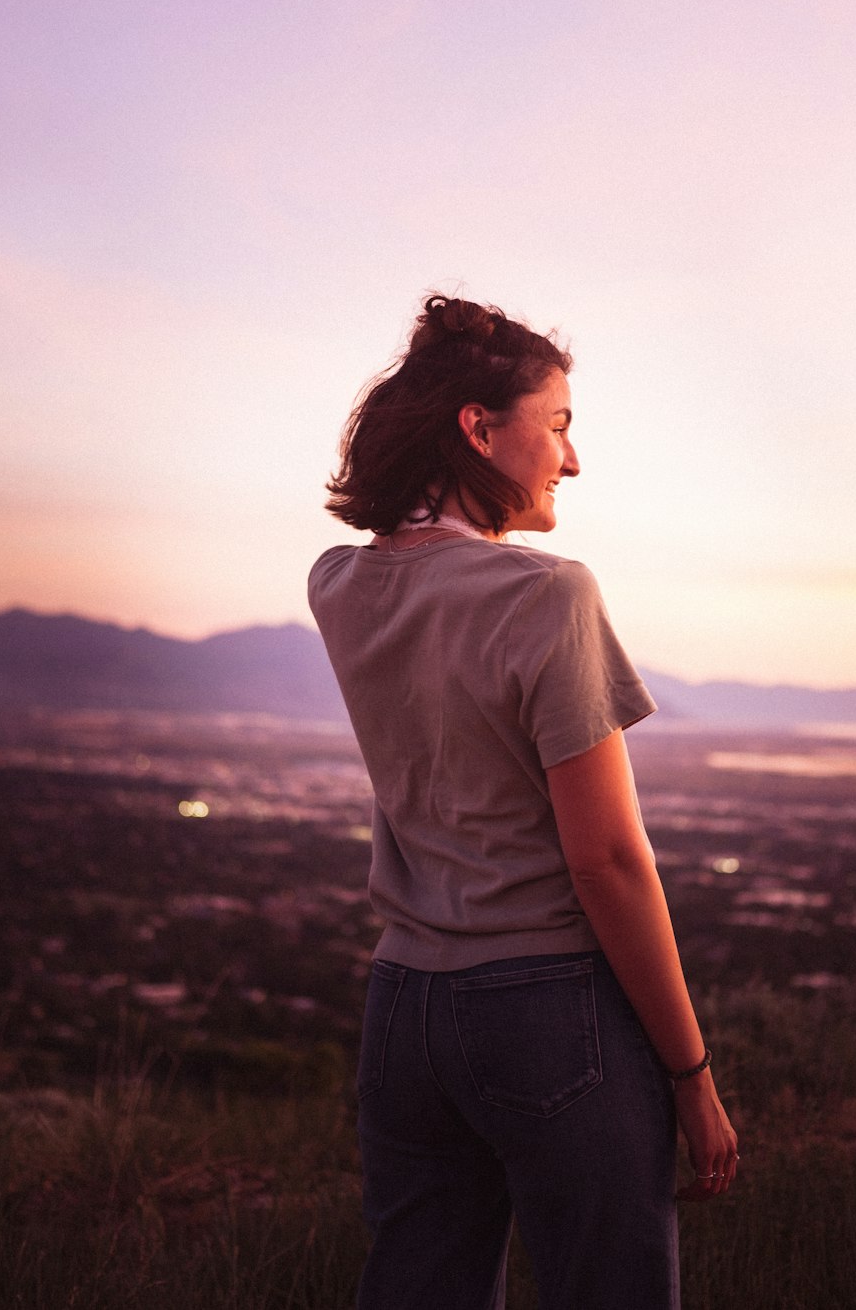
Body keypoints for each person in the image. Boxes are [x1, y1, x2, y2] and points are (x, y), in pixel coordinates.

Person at [308, 294, 738, 1310]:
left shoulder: (338, 585)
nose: (571, 460)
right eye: (558, 426)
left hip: (402, 1010)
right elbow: (609, 864)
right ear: (478, 428)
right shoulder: (547, 596)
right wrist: (692, 1073)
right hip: (547, 1009)